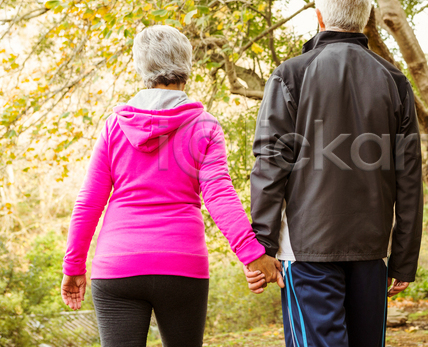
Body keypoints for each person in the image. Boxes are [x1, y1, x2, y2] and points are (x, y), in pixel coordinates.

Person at [61, 25, 282, 347]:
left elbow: (89, 201)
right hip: (182, 264)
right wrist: (252, 254)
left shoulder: (115, 127)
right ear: (187, 67)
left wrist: (73, 265)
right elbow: (219, 195)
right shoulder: (204, 126)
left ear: (141, 67)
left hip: (118, 265)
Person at [245, 0, 423, 347]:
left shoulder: (290, 76)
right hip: (372, 252)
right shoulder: (395, 81)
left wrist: (262, 248)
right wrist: (404, 258)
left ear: (319, 15)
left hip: (307, 252)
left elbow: (270, 165)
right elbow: (409, 178)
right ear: (366, 15)